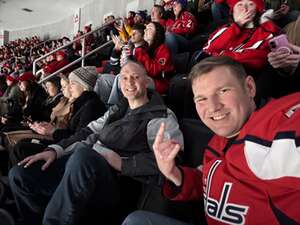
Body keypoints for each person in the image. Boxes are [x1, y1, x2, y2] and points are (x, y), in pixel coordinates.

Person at [122, 56, 300, 225]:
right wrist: (175, 174)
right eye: (202, 99)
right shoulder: (217, 143)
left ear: (250, 88)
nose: (214, 107)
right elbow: (215, 182)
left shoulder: (282, 124)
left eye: (223, 91)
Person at [8, 61, 183, 225]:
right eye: (124, 77)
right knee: (20, 175)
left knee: (84, 156)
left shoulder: (160, 116)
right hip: (84, 168)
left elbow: (172, 162)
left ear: (146, 82)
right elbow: (87, 132)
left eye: (135, 77)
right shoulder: (116, 110)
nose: (129, 81)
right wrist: (55, 150)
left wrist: (124, 163)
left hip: (119, 183)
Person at [202, 0, 279, 72]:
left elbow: (259, 60)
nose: (245, 9)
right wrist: (236, 26)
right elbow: (208, 49)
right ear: (233, 11)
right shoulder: (226, 28)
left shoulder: (265, 32)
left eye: (250, 4)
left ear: (257, 10)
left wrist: (222, 55)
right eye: (240, 4)